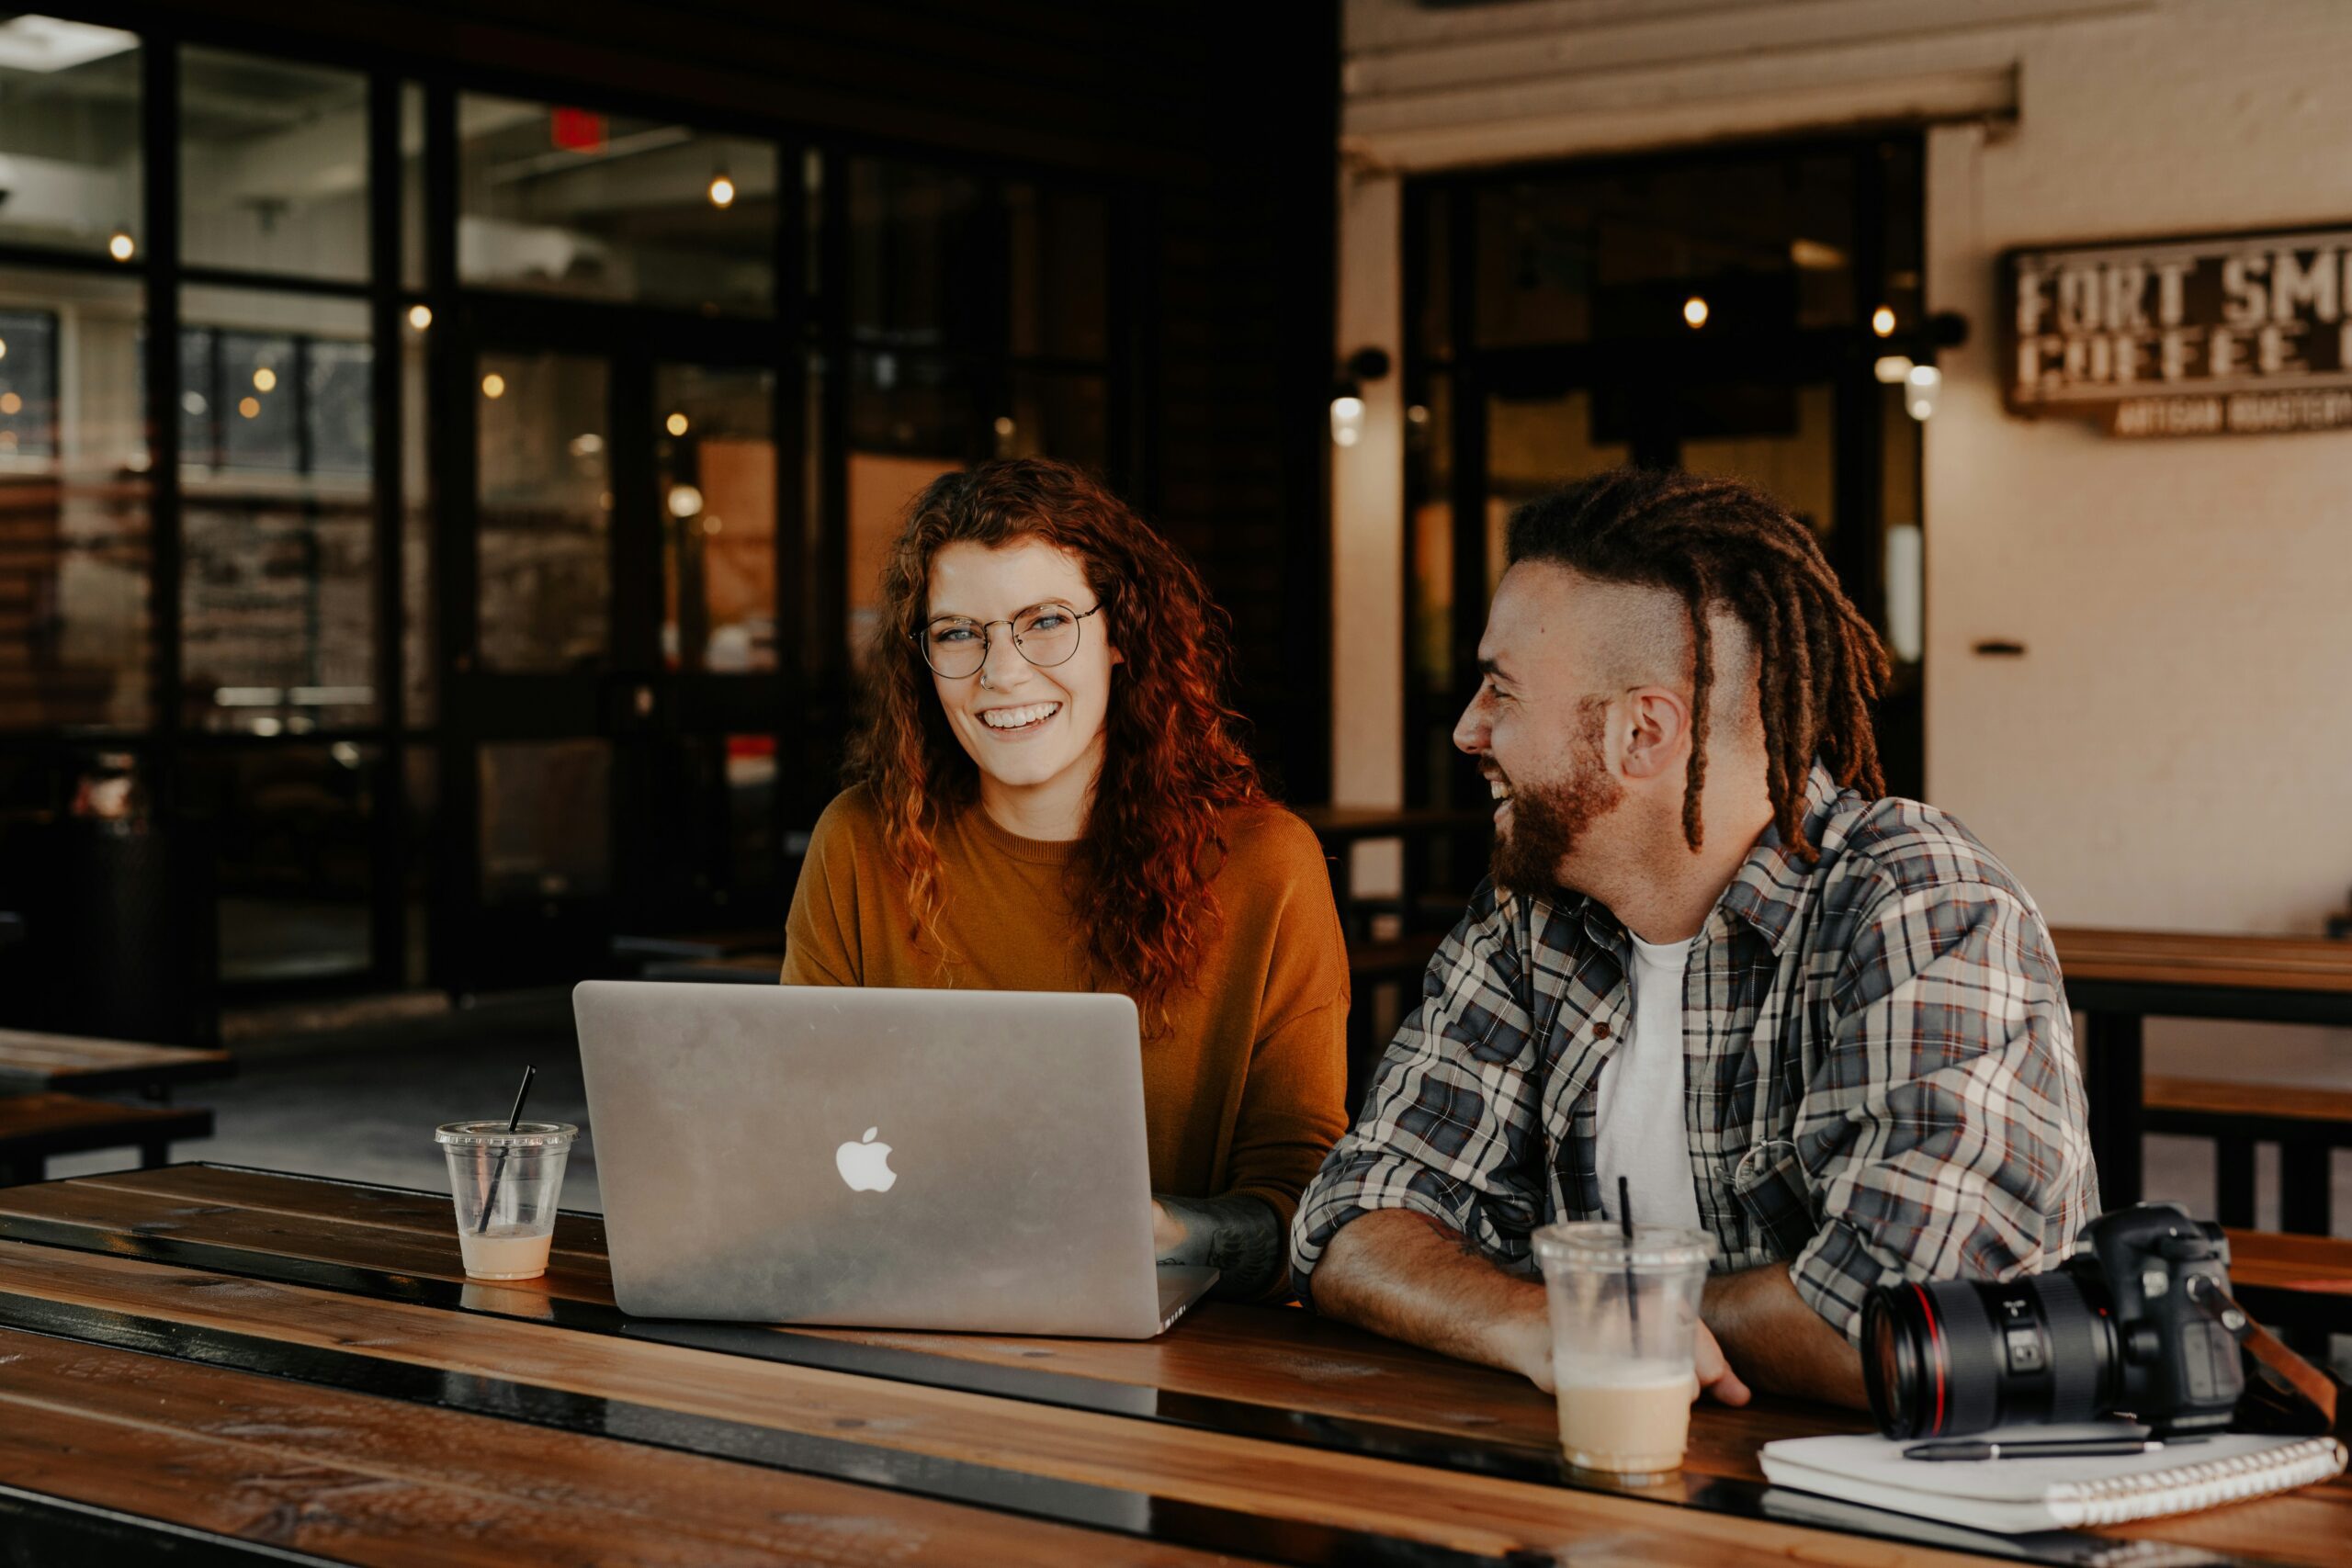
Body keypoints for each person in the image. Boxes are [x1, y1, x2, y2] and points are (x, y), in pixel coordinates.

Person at [1289, 467, 2098, 1406]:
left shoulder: (1922, 905)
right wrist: (1524, 1321)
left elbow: (1904, 1319)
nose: (1468, 729)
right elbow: (1352, 1223)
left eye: (1501, 692)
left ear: (1643, 733)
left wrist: (1594, 1321)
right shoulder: (1529, 915)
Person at [784, 457, 1349, 1299]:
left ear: (1121, 634)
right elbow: (787, 1136)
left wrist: (1161, 1233)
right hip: (893, 1309)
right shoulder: (860, 841)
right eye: (957, 632)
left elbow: (1302, 1203)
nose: (1001, 671)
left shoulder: (1266, 863)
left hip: (1177, 1355)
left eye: (1044, 621)